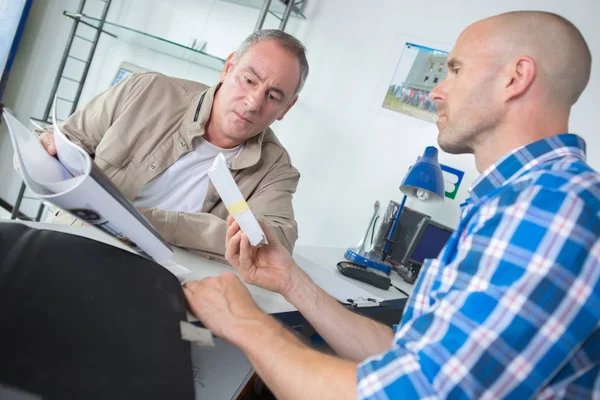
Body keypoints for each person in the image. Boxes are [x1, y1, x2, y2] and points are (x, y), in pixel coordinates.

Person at [183, 11, 599, 399]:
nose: (437, 90)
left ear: (516, 77)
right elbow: (403, 352)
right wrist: (291, 281)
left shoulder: (554, 205)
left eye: (455, 69)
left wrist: (244, 321)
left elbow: (413, 391)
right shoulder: (508, 202)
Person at [37, 29, 309, 259]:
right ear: (228, 68)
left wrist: (154, 222)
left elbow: (276, 242)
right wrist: (47, 152)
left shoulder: (276, 169)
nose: (253, 103)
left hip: (157, 280)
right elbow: (61, 143)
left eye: (273, 97)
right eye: (248, 81)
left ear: (287, 107)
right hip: (69, 245)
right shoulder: (146, 90)